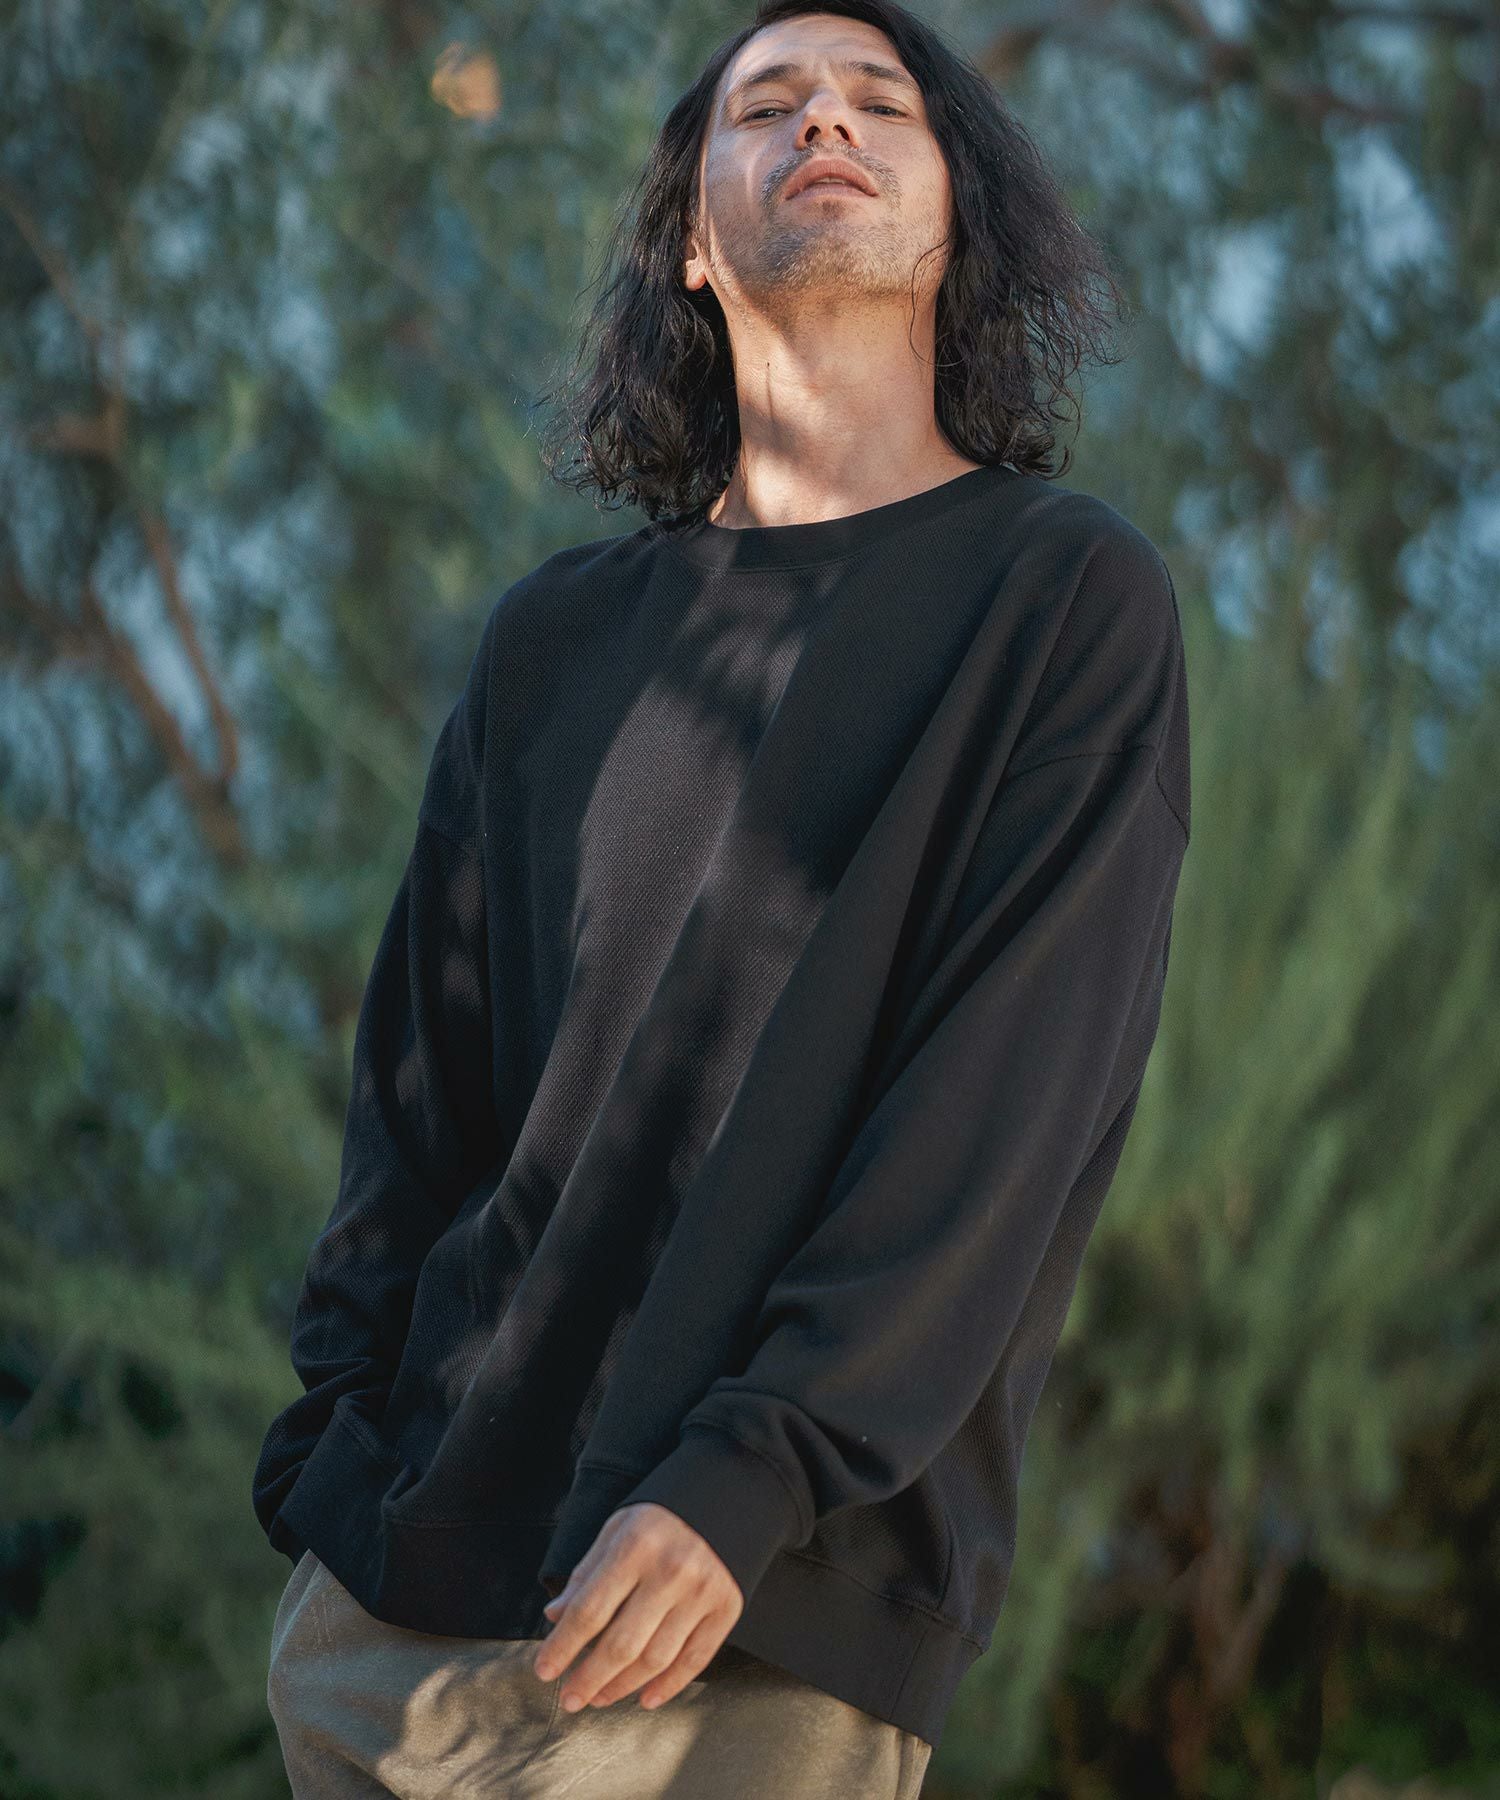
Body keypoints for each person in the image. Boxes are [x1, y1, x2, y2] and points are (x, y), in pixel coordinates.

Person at [255, 0, 1193, 1794]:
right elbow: (416, 1098)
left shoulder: (1061, 602)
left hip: (746, 1625)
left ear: (958, 214)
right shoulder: (552, 641)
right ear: (693, 236)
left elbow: (999, 1113)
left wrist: (754, 1471)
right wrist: (331, 1452)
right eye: (767, 104)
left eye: (880, 102)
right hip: (394, 1631)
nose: (824, 122)